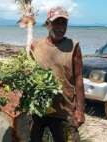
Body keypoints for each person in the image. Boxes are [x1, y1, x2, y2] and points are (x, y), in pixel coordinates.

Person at [28, 6, 85, 142]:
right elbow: (29, 75)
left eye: (64, 23)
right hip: (39, 109)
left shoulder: (73, 46)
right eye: (56, 23)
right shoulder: (36, 46)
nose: (60, 28)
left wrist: (80, 110)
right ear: (48, 24)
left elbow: (78, 78)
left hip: (64, 111)